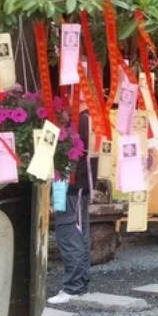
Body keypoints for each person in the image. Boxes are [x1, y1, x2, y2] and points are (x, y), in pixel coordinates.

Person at [49, 108, 93, 305]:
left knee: (69, 233)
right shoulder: (88, 116)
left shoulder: (80, 118)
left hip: (73, 184)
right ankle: (79, 284)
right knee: (78, 233)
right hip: (77, 184)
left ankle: (73, 286)